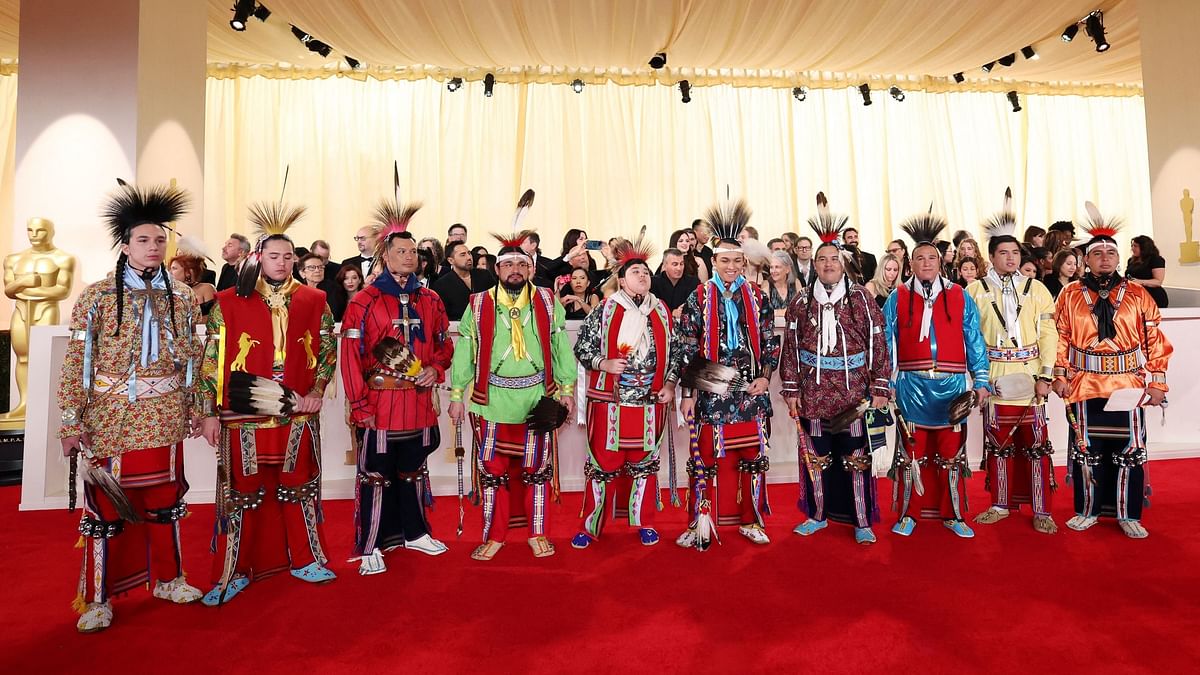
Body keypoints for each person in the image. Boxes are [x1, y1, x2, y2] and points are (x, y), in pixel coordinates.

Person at [58, 183, 203, 632]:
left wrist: (199, 406)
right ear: (125, 245)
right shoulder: (97, 297)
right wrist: (70, 419)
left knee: (164, 500)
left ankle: (169, 578)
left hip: (164, 416)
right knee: (105, 506)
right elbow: (77, 362)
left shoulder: (181, 296)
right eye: (143, 239)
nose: (154, 247)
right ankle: (99, 598)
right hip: (111, 416)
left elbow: (196, 359)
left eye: (160, 239)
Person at [198, 200, 338, 605]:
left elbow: (326, 351)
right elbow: (212, 361)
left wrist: (317, 391)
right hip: (242, 414)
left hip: (296, 411)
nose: (281, 262)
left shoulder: (315, 299)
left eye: (288, 256)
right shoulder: (227, 301)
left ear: (297, 259)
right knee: (243, 491)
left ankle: (307, 559)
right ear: (258, 257)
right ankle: (237, 570)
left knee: (299, 486)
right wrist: (209, 412)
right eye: (273, 255)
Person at [448, 191, 577, 561]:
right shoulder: (479, 303)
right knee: (492, 472)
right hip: (491, 402)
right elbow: (465, 353)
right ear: (497, 270)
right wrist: (457, 396)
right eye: (508, 266)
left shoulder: (548, 302)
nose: (515, 271)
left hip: (538, 399)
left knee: (536, 470)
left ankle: (538, 533)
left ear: (532, 268)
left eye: (522, 265)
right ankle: (495, 535)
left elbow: (560, 349)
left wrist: (566, 390)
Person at [340, 201, 455, 574]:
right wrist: (359, 405)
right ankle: (370, 543)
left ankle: (415, 532)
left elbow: (444, 345)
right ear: (385, 256)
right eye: (401, 251)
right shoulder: (364, 301)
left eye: (413, 251)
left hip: (420, 403)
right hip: (380, 403)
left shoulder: (431, 299)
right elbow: (350, 357)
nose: (409, 257)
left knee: (412, 468)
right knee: (376, 473)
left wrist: (436, 369)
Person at [1053, 205, 1172, 539]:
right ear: (1085, 259)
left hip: (1127, 384)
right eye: (1097, 253)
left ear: (1118, 259)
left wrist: (1158, 381)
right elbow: (1061, 337)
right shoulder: (1070, 294)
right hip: (1084, 383)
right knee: (1086, 447)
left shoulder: (1137, 294)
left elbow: (1154, 340)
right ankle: (1087, 510)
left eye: (1110, 252)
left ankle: (1128, 512)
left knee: (1129, 448)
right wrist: (1059, 374)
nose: (1104, 258)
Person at [781, 195, 891, 545]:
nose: (828, 264)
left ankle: (861, 520)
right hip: (813, 393)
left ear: (843, 264)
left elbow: (878, 343)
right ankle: (817, 515)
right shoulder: (800, 302)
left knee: (857, 458)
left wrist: (879, 388)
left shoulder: (860, 299)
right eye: (822, 259)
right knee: (816, 457)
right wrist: (791, 392)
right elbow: (791, 350)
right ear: (813, 264)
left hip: (854, 394)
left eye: (833, 259)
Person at [676, 199, 778, 550]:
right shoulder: (700, 296)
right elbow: (687, 345)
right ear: (714, 261)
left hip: (750, 387)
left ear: (744, 262)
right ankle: (699, 522)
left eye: (737, 260)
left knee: (752, 457)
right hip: (709, 387)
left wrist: (765, 378)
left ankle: (751, 521)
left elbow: (768, 341)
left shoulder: (757, 296)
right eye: (725, 260)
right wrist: (688, 395)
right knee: (703, 458)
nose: (732, 266)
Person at [884, 212, 990, 539]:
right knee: (910, 454)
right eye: (919, 258)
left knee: (952, 455)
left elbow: (973, 337)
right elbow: (886, 341)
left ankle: (954, 513)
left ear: (941, 261)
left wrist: (981, 380)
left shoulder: (959, 295)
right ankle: (908, 514)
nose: (926, 263)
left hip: (952, 386)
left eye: (931, 257)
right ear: (910, 264)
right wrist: (886, 381)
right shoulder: (897, 297)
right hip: (912, 386)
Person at [571, 233, 679, 548]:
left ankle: (644, 523)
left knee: (645, 466)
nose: (643, 276)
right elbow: (582, 349)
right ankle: (591, 526)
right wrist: (603, 363)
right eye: (635, 272)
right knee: (603, 464)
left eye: (645, 272)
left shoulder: (661, 312)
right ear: (621, 280)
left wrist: (670, 384)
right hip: (610, 403)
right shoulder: (604, 311)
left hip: (650, 402)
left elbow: (675, 354)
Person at [967, 199, 1059, 534]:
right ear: (991, 257)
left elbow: (1049, 334)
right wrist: (980, 379)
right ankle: (1000, 504)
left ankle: (1041, 509)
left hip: (1031, 375)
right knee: (998, 444)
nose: (1010, 259)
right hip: (994, 377)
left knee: (1036, 446)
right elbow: (972, 338)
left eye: (1016, 254)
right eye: (1004, 253)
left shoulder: (1036, 290)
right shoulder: (974, 291)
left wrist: (1046, 374)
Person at [432, 240, 497, 321]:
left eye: (469, 253)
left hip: (487, 324)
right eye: (463, 255)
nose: (469, 257)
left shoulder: (484, 275)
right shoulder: (441, 285)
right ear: (450, 260)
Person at [169, 236, 218, 319]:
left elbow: (214, 318)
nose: (170, 272)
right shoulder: (168, 290)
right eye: (170, 268)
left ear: (188, 272)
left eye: (174, 268)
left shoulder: (207, 288)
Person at [651, 248, 701, 318]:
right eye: (675, 264)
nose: (679, 268)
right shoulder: (653, 283)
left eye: (681, 264)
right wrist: (672, 312)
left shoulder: (693, 282)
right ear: (664, 265)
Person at [1127, 235, 1169, 308]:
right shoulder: (1131, 261)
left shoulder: (1156, 260)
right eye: (1132, 246)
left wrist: (1139, 281)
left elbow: (1158, 281)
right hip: (1136, 297)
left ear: (1144, 247)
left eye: (1135, 246)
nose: (1132, 248)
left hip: (1153, 296)